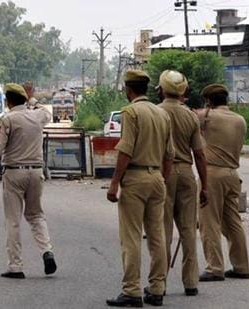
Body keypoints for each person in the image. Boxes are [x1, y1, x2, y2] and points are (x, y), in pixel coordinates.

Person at [106, 70, 174, 307]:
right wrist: (162, 180)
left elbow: (125, 150)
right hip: (156, 178)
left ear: (128, 89)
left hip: (135, 178)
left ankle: (132, 291)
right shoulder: (162, 114)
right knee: (157, 236)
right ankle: (157, 288)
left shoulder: (131, 112)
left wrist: (114, 182)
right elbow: (169, 156)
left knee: (131, 237)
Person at [0, 83, 57, 279]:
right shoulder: (38, 116)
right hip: (37, 173)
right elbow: (47, 113)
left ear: (8, 101)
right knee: (36, 215)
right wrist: (32, 99)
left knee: (13, 220)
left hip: (14, 173)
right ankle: (47, 251)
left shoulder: (7, 119)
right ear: (25, 99)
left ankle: (15, 266)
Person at [157, 70, 207, 296]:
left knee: (163, 230)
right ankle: (190, 282)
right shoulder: (190, 116)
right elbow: (199, 154)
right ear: (184, 91)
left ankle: (160, 282)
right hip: (187, 174)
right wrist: (204, 185)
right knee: (188, 230)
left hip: (163, 174)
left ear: (161, 89)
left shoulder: (156, 113)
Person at [196, 84, 249, 282]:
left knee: (209, 221)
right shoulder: (240, 120)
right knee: (233, 221)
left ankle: (214, 267)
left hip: (213, 174)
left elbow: (188, 118)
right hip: (232, 174)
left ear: (209, 100)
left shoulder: (207, 116)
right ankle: (242, 266)